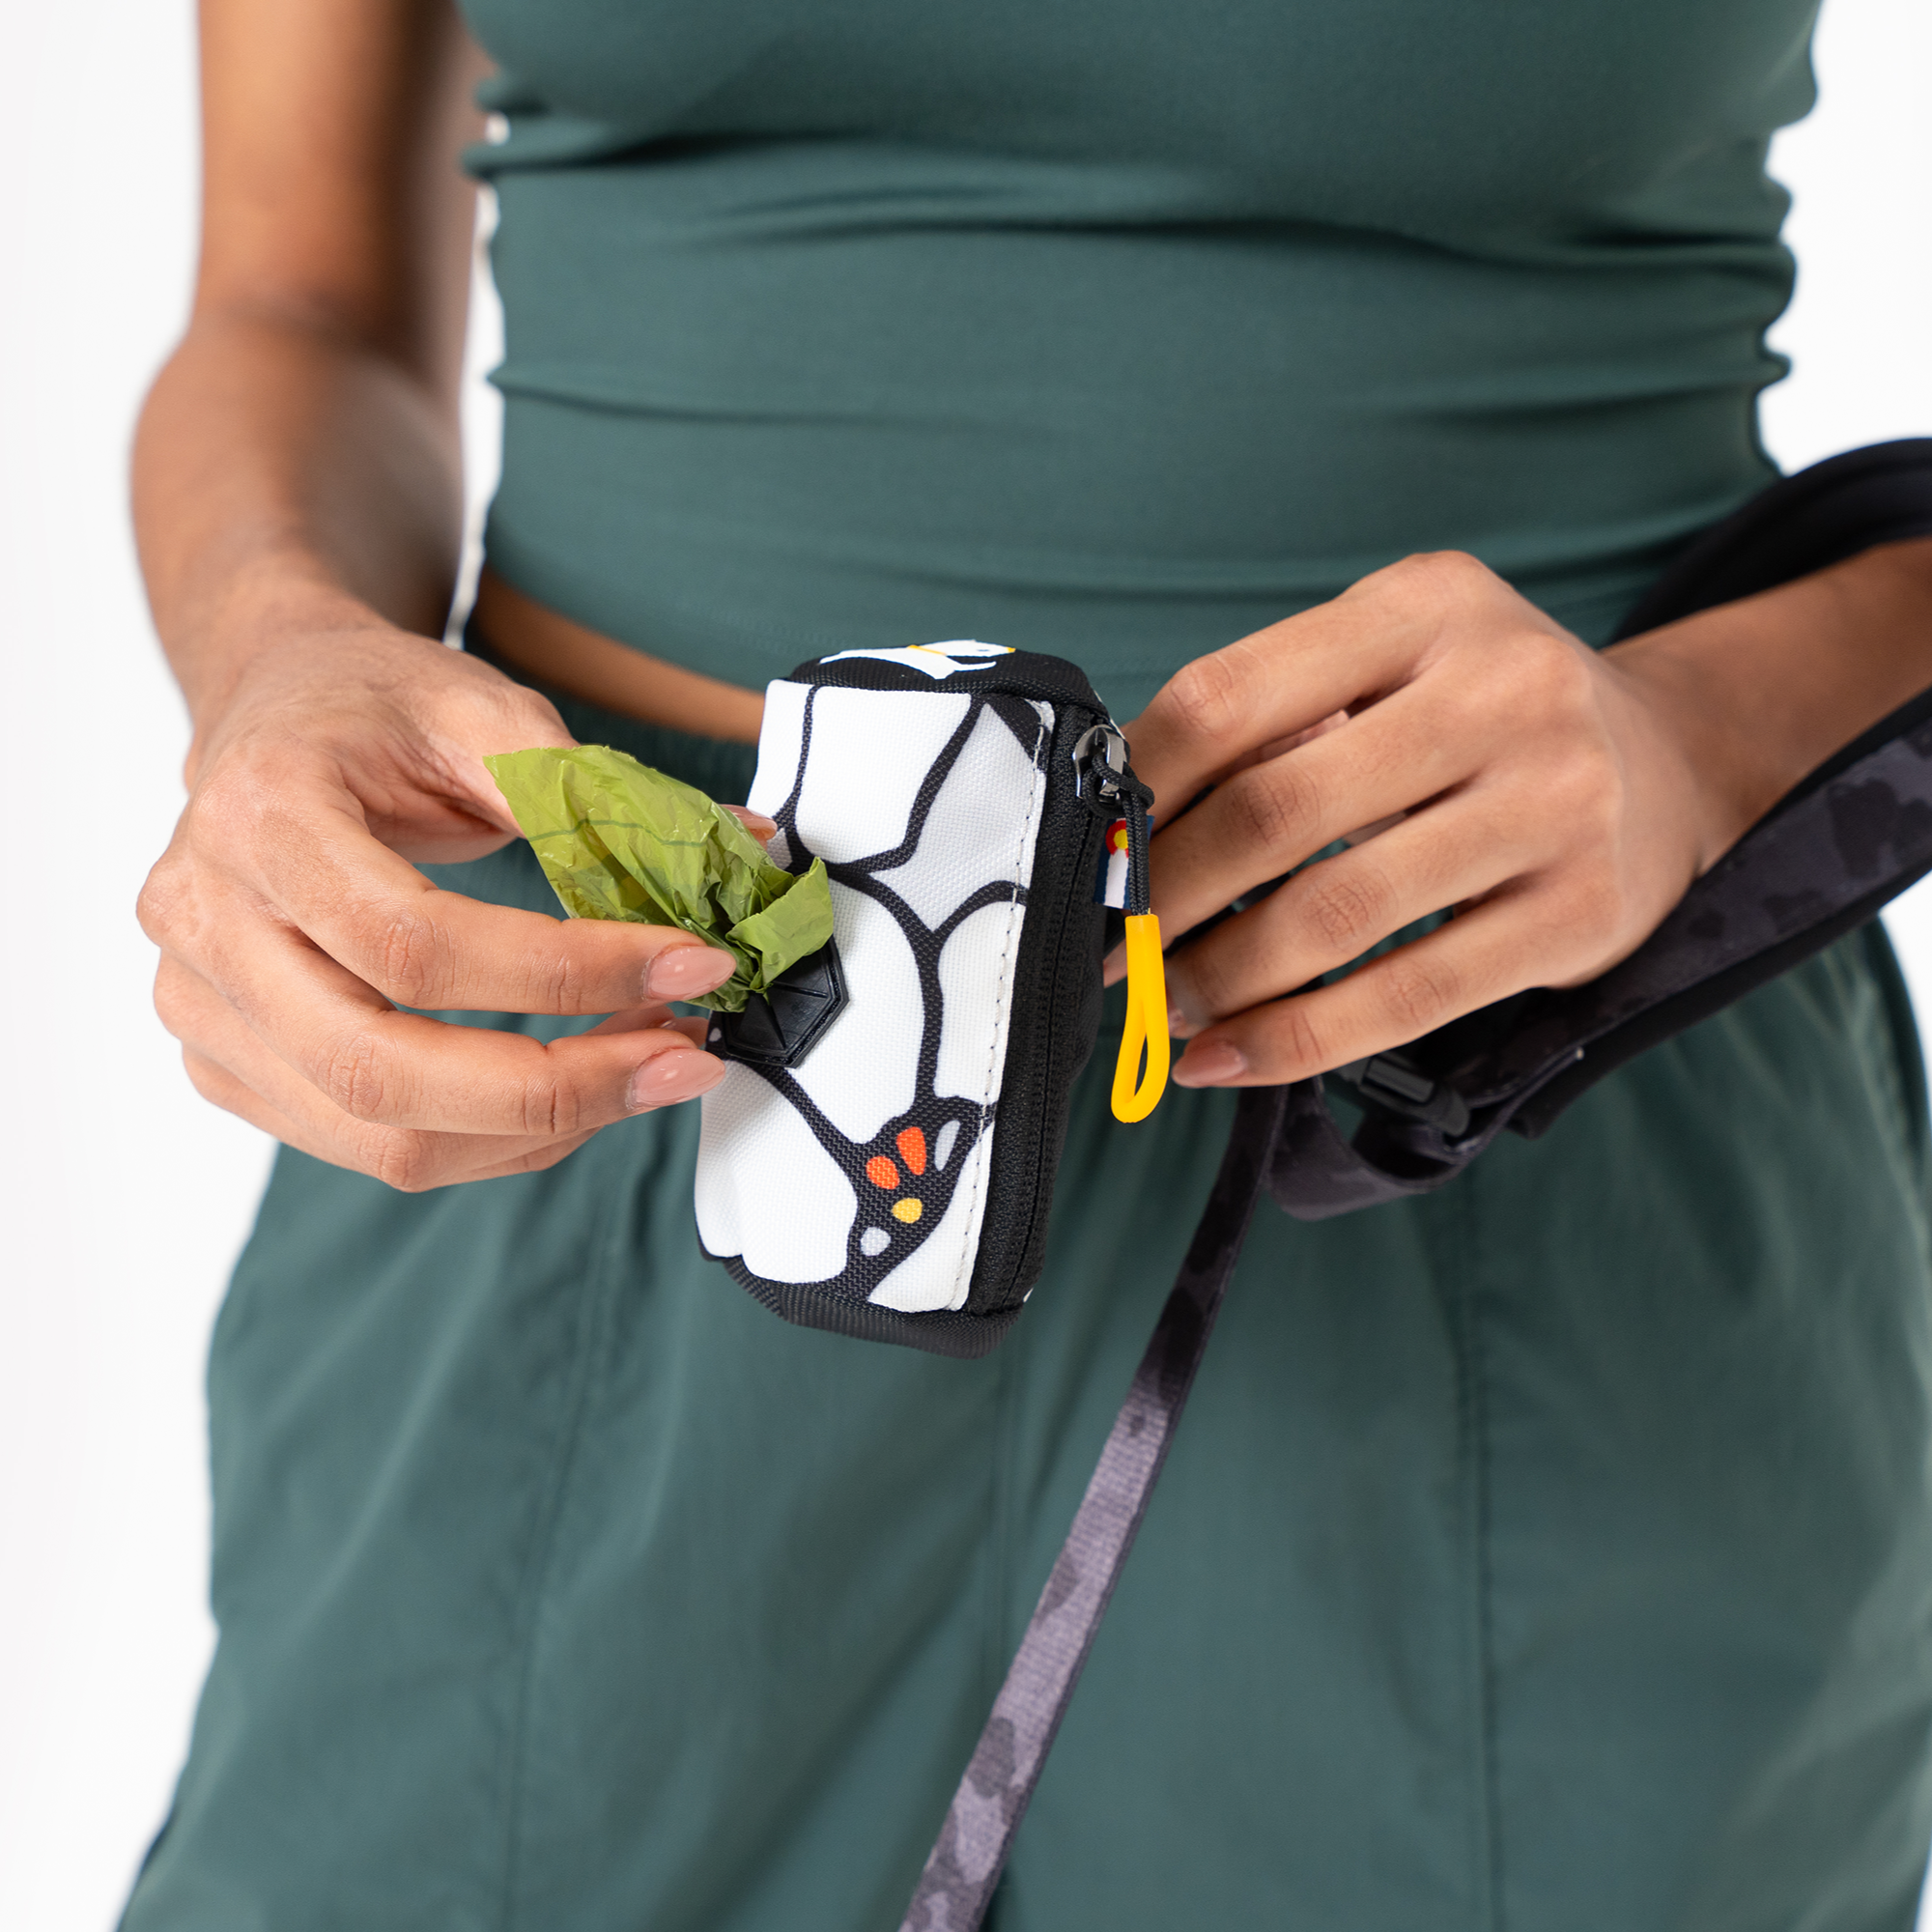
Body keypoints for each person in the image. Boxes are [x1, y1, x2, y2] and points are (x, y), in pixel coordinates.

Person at [124, 2, 1932, 1927]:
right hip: (611, 1099)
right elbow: (293, 300)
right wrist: (272, 652)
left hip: (1511, 1127)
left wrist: (1710, 726)